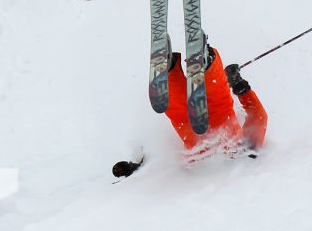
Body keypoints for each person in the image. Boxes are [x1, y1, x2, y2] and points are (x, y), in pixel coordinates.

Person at [112, 39, 267, 177]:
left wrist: (239, 86)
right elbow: (258, 118)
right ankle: (170, 71)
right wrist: (239, 84)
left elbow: (260, 117)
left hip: (216, 148)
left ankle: (204, 64)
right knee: (183, 116)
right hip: (197, 156)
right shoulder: (249, 159)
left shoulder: (251, 151)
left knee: (216, 106)